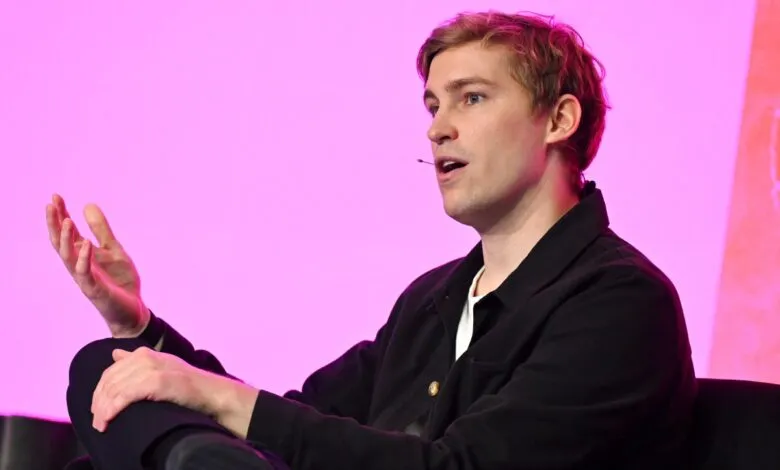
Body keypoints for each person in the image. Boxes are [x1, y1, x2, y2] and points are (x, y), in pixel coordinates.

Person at [49, 10, 698, 470]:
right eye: (432, 106)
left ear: (558, 118)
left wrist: (212, 400)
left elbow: (458, 468)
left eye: (470, 99)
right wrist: (138, 328)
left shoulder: (619, 301)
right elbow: (290, 420)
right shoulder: (432, 299)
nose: (437, 129)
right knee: (104, 369)